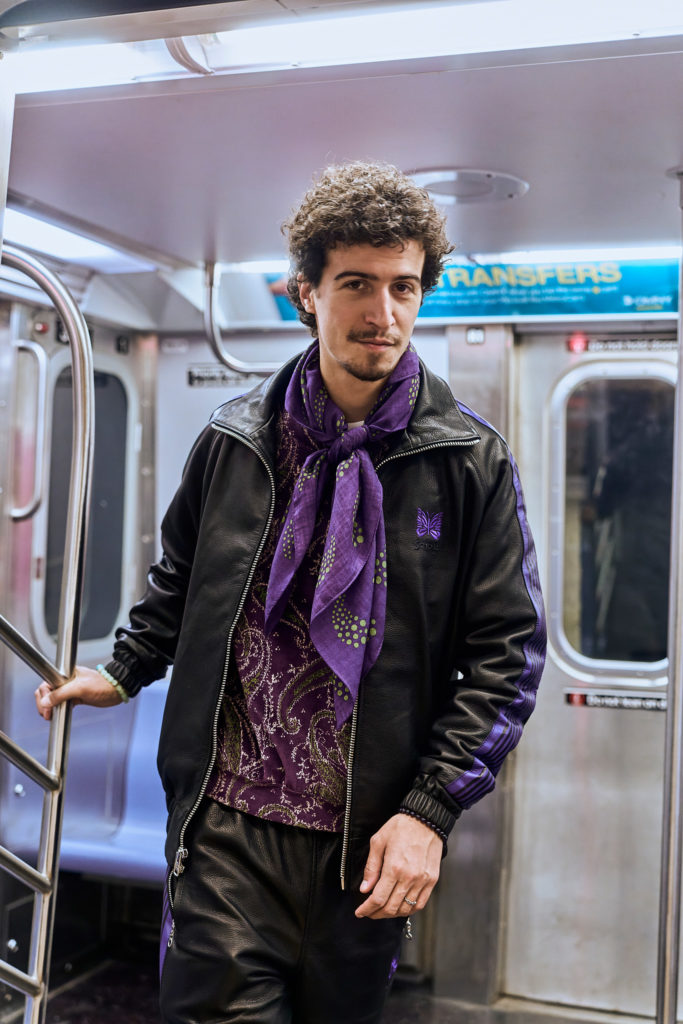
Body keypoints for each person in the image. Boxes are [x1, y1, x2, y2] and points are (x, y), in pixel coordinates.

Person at [36, 161, 546, 1024]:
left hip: (364, 844)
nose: (383, 314)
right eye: (355, 284)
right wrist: (122, 670)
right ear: (305, 292)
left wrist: (428, 811)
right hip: (226, 828)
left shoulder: (468, 462)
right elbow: (182, 580)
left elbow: (507, 657)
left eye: (403, 287)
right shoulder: (236, 439)